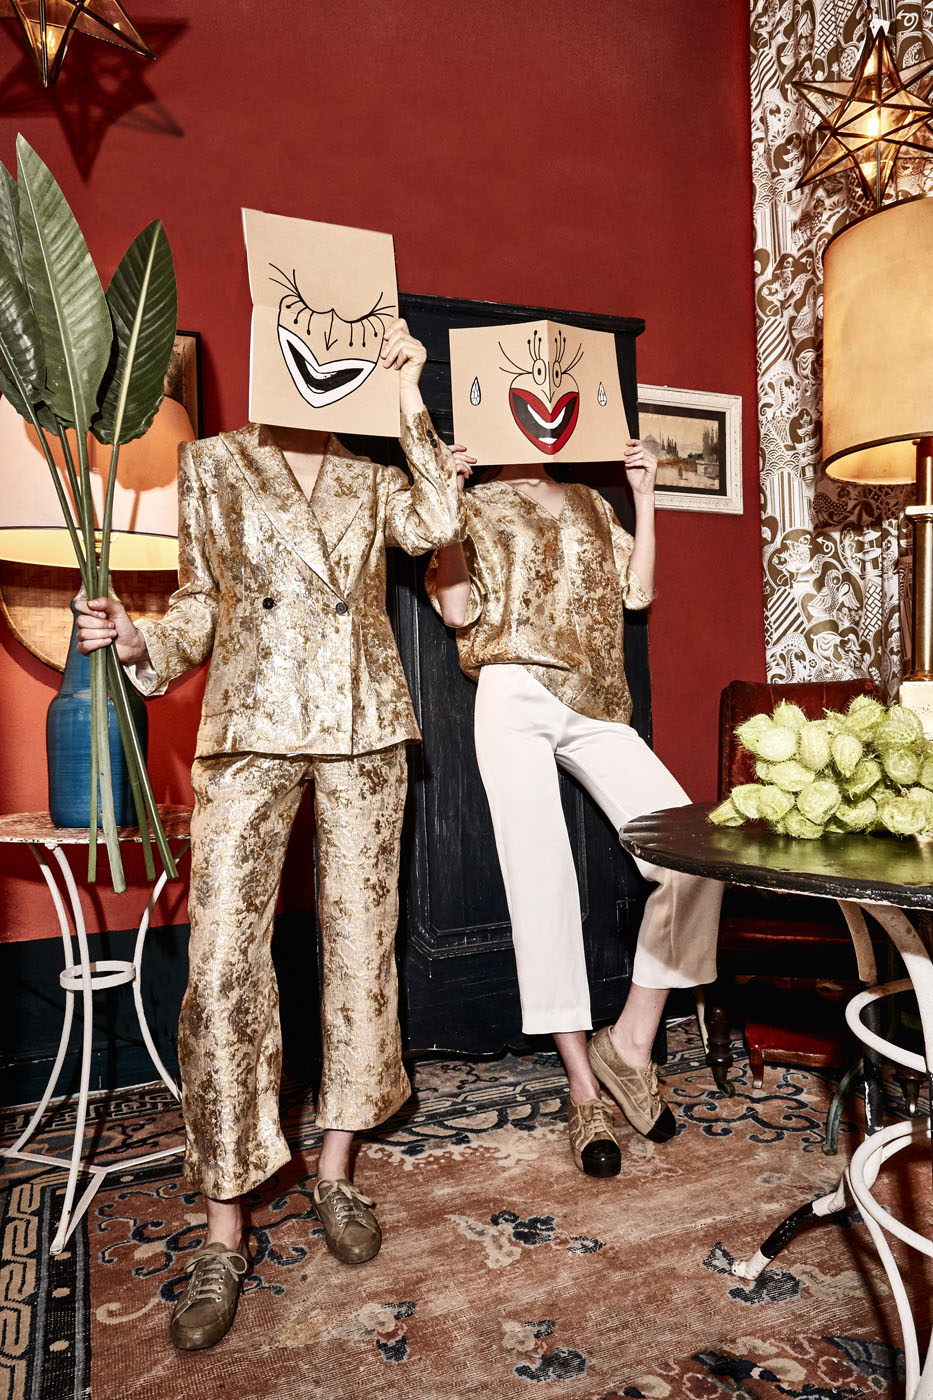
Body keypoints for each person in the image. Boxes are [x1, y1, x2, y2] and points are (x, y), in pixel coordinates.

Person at [76, 319, 462, 1350]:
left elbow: (437, 520)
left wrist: (410, 392)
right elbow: (201, 600)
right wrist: (142, 640)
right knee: (223, 964)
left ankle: (335, 1167)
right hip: (249, 722)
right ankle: (225, 1222)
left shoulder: (373, 471)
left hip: (364, 724)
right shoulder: (212, 462)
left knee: (360, 948)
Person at [427, 438, 722, 1178]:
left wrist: (644, 496)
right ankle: (584, 1090)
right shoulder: (469, 503)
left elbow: (637, 594)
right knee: (542, 884)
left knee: (694, 858)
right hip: (511, 692)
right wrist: (446, 502)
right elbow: (457, 611)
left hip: (595, 700)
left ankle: (629, 1043)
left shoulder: (591, 502)